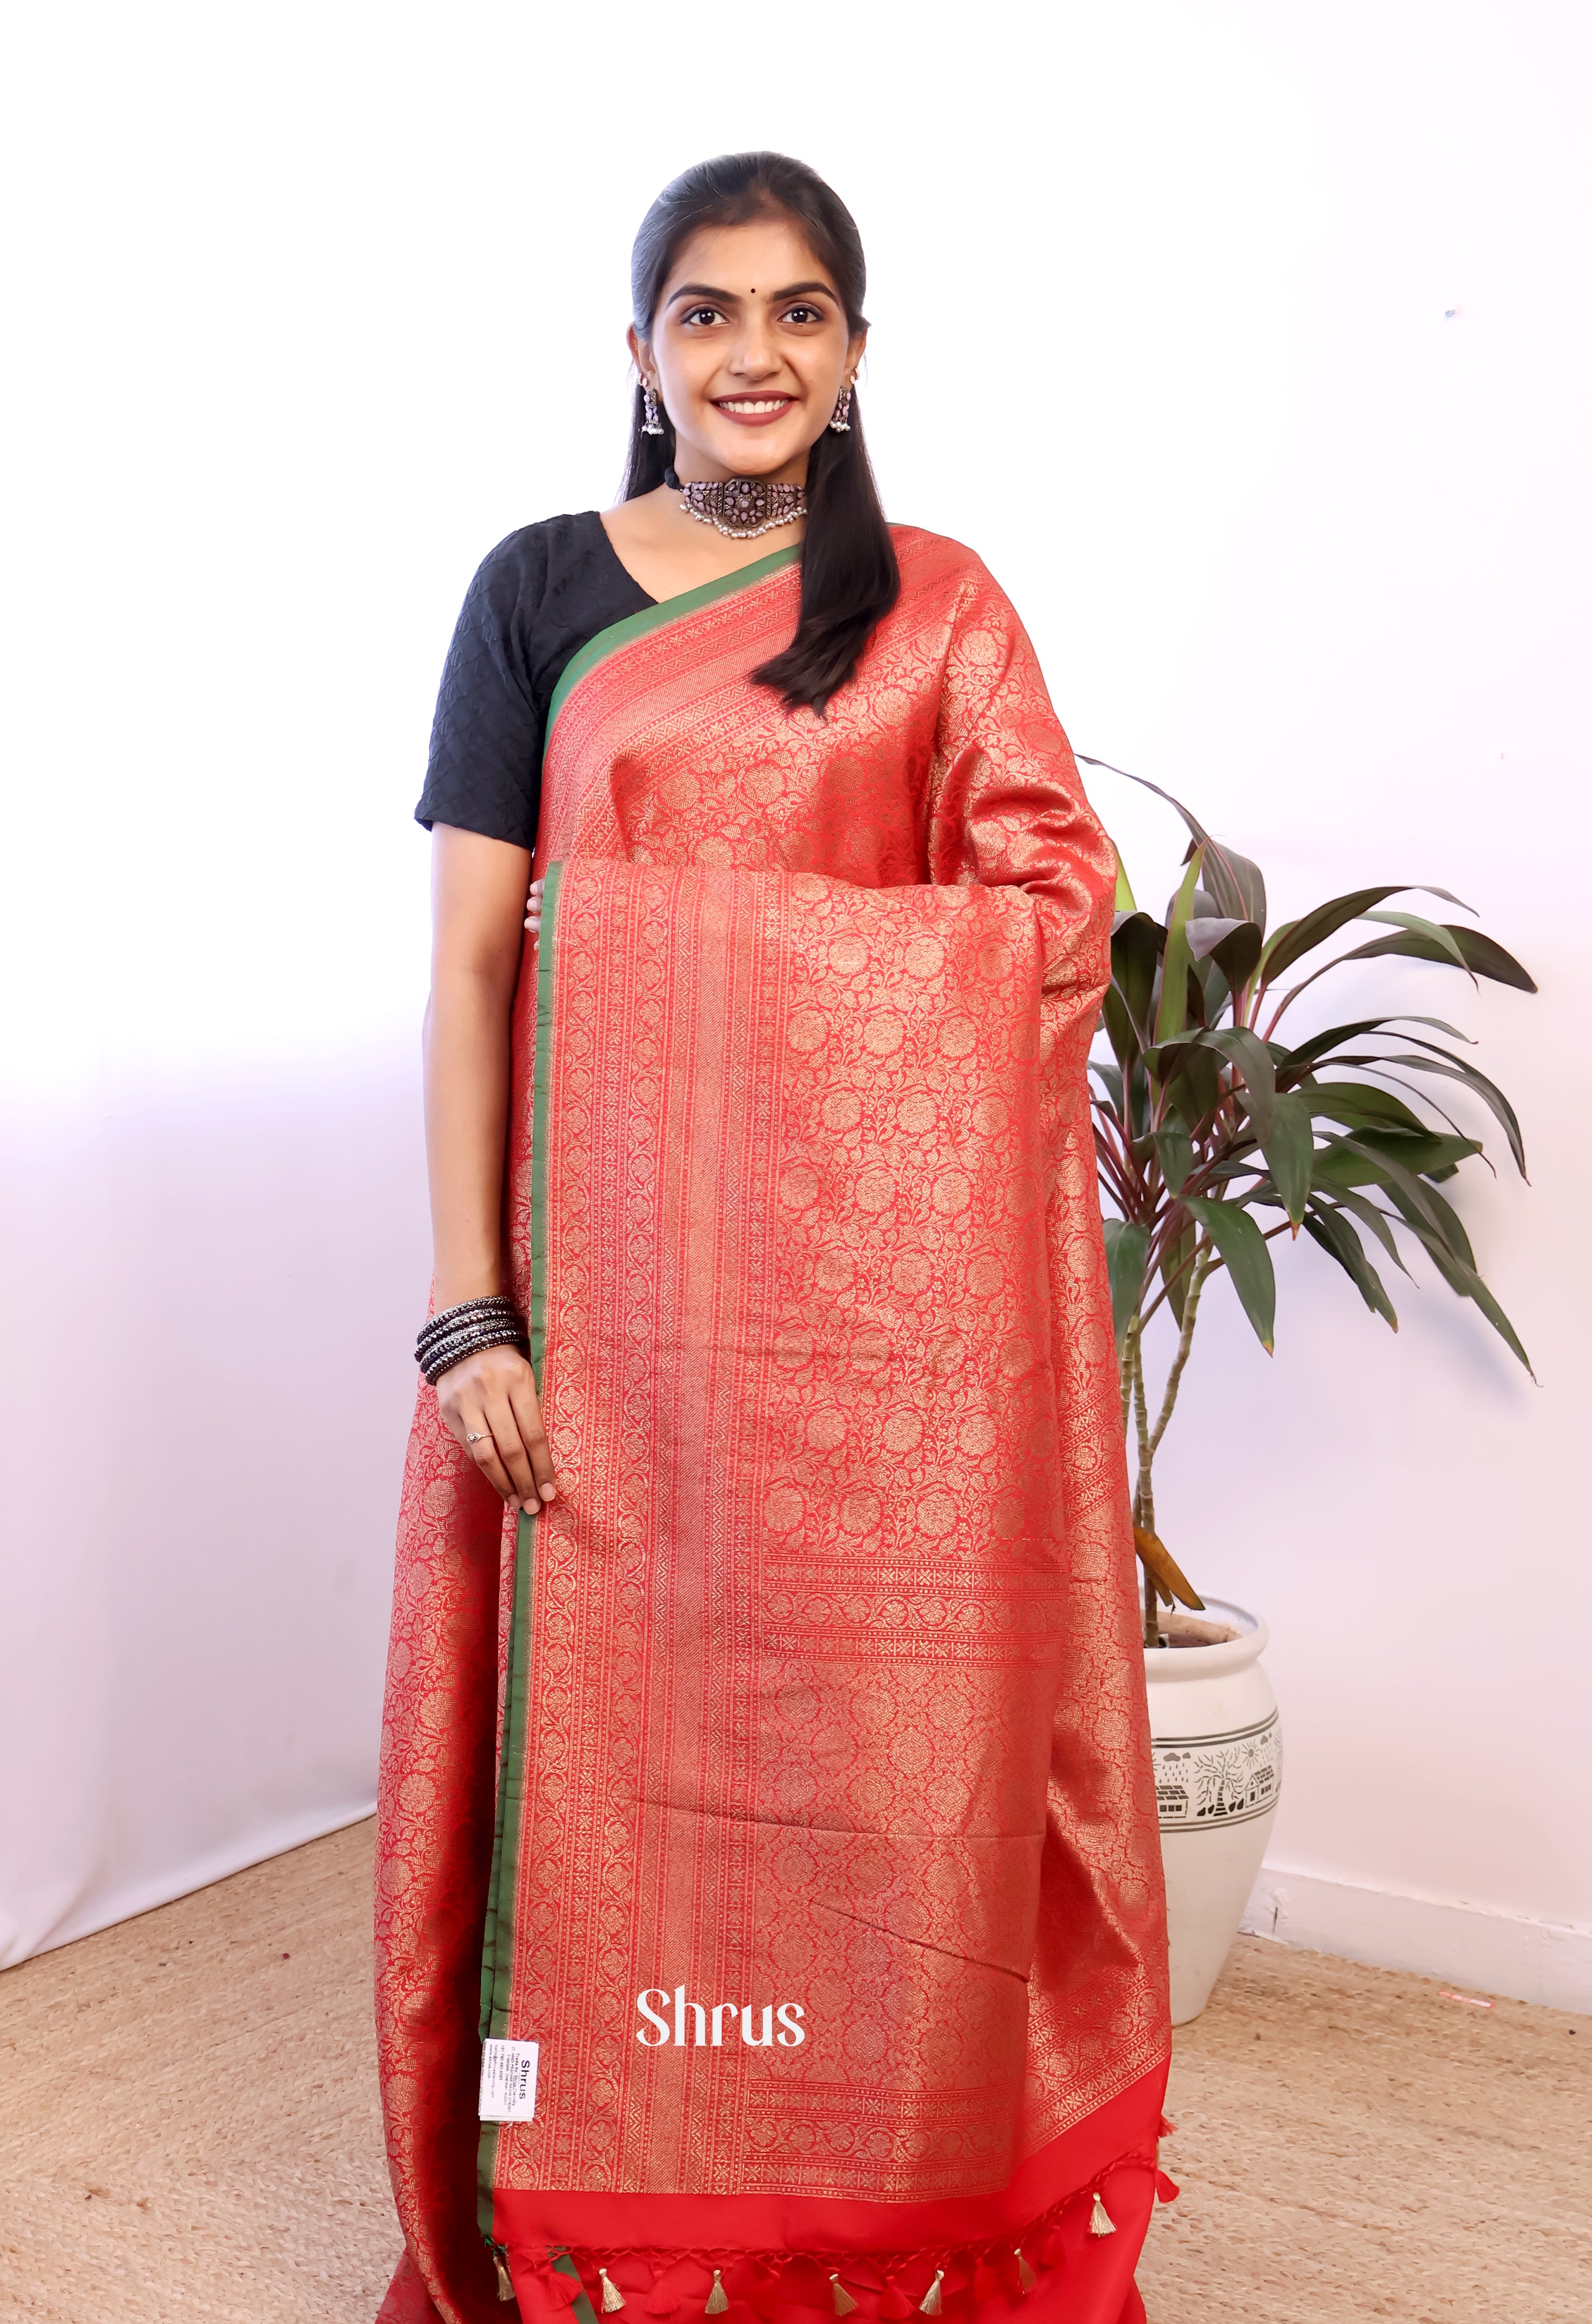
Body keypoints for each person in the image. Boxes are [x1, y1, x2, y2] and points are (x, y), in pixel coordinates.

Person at [375, 152, 1170, 2324]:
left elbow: (1049, 917)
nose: (752, 353)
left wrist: (663, 944)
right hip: (592, 1324)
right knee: (609, 1809)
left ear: (853, 354)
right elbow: (473, 970)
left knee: (850, 1807)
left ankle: (864, 2225)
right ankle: (604, 2234)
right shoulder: (537, 591)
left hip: (868, 1361)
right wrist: (471, 1322)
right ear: (639, 353)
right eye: (705, 312)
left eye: (799, 312)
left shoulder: (936, 604)